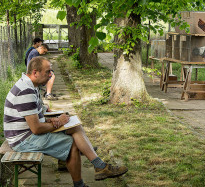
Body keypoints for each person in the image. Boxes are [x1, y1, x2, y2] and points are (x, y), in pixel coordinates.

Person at [4, 56, 128, 187]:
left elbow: (36, 113)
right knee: (73, 143)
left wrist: (53, 119)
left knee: (76, 127)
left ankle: (99, 166)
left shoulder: (31, 85)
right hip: (23, 140)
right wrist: (58, 122)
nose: (51, 75)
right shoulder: (25, 91)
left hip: (25, 133)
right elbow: (36, 129)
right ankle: (86, 178)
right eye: (48, 72)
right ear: (35, 72)